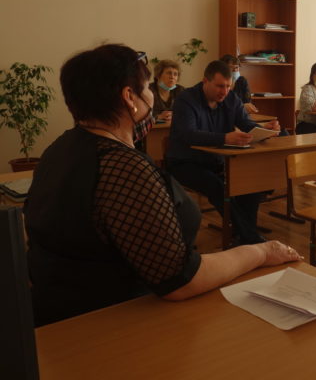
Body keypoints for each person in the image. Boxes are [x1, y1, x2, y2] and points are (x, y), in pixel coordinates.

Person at [23, 45, 300, 327]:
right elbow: (180, 279)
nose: (151, 97)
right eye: (147, 88)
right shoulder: (123, 168)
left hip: (58, 313)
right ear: (129, 97)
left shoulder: (57, 149)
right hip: (112, 324)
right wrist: (261, 252)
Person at [165, 60, 282, 245]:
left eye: (228, 86)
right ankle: (249, 237)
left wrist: (264, 128)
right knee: (218, 186)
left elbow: (245, 123)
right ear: (205, 81)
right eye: (220, 86)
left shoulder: (231, 98)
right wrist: (225, 138)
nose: (225, 91)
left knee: (250, 182)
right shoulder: (186, 99)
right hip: (184, 163)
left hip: (216, 161)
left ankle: (241, 233)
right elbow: (189, 134)